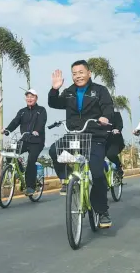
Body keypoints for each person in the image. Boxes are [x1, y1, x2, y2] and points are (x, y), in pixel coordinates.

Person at [47, 60, 114, 228]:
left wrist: (105, 117)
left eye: (81, 72)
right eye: (74, 73)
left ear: (89, 73)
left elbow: (108, 107)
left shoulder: (100, 90)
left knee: (97, 174)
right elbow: (53, 103)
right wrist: (55, 89)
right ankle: (66, 179)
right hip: (74, 136)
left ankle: (102, 210)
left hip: (95, 136)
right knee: (55, 150)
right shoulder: (69, 92)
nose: (78, 76)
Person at [2, 89, 47, 196]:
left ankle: (31, 187)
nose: (29, 99)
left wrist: (37, 131)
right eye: (28, 97)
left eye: (32, 97)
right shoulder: (22, 111)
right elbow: (15, 121)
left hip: (37, 141)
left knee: (31, 161)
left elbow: (42, 122)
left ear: (36, 98)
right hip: (24, 140)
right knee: (9, 153)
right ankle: (20, 170)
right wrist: (7, 130)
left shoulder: (41, 110)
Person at [105, 108, 125, 180]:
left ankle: (118, 166)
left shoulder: (116, 115)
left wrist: (117, 129)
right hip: (102, 141)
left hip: (114, 141)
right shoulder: (97, 115)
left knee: (111, 154)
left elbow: (120, 125)